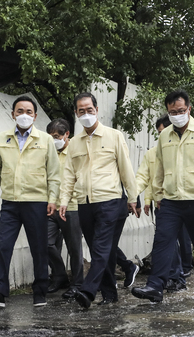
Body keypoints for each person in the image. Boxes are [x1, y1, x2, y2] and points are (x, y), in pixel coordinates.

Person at [132, 89, 194, 303]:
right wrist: (158, 194)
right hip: (171, 201)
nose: (177, 114)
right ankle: (155, 287)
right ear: (168, 112)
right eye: (173, 112)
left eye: (181, 110)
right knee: (162, 242)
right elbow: (160, 168)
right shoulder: (164, 136)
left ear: (189, 109)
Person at [59, 92, 138, 308]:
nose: (86, 114)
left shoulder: (114, 136)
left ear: (96, 110)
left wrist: (133, 197)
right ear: (76, 113)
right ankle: (110, 295)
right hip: (84, 203)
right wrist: (64, 201)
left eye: (89, 110)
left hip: (110, 200)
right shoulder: (74, 143)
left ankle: (88, 291)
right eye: (81, 111)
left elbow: (125, 168)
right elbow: (68, 176)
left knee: (101, 248)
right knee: (103, 250)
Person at [0, 96, 60, 308]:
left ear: (35, 116)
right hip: (10, 203)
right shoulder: (2, 139)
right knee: (3, 247)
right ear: (13, 114)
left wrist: (52, 199)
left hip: (36, 202)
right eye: (19, 111)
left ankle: (40, 291)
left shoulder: (45, 140)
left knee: (39, 248)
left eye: (28, 111)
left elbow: (54, 173)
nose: (24, 115)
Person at [136, 116, 189, 292]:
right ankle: (173, 277)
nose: (160, 136)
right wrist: (140, 197)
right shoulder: (152, 153)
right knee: (166, 241)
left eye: (161, 132)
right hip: (162, 204)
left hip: (184, 203)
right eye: (158, 133)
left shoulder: (183, 151)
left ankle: (179, 275)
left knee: (178, 241)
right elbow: (147, 177)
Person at [46, 118, 84, 299]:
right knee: (46, 243)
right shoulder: (48, 152)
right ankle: (60, 275)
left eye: (56, 136)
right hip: (51, 205)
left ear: (66, 134)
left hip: (72, 206)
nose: (53, 140)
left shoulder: (76, 152)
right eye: (50, 136)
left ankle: (77, 283)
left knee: (74, 248)